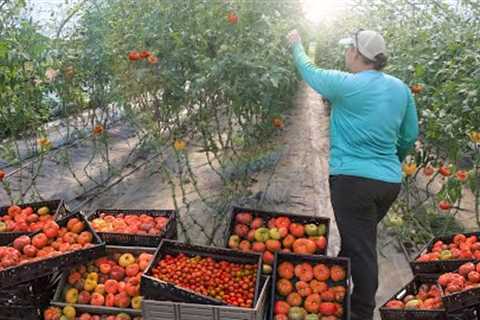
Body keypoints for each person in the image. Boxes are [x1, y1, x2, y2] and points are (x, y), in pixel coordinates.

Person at [287, 29, 419, 320]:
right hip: (387, 183)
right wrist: (391, 162)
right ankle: (332, 281)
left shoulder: (345, 84)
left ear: (358, 54)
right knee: (356, 237)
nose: (346, 53)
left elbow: (309, 71)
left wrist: (296, 44)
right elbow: (410, 134)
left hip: (351, 183)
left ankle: (360, 312)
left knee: (362, 250)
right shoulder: (401, 88)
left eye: (349, 49)